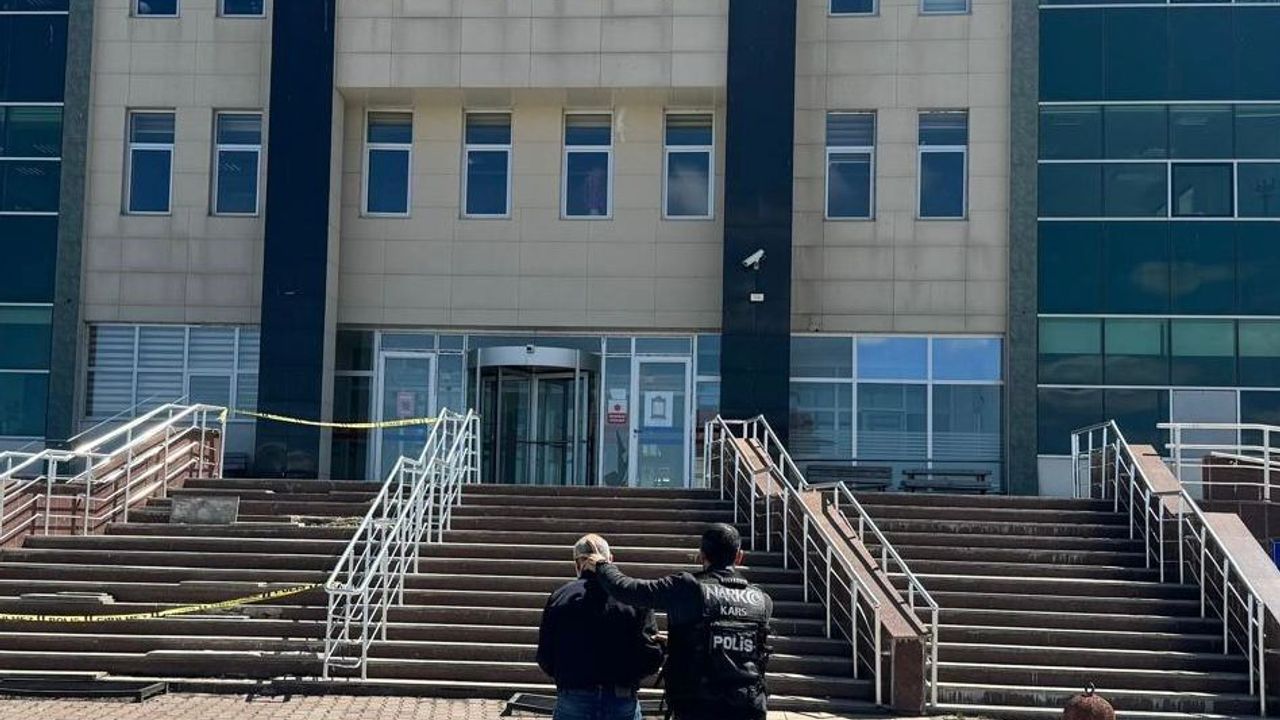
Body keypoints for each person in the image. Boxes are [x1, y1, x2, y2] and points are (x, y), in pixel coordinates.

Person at [583, 523, 773, 720]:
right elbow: (731, 638)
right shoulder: (762, 601)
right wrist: (681, 640)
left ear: (702, 555)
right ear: (739, 556)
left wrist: (602, 565)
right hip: (747, 707)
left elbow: (628, 589)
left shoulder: (687, 588)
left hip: (697, 707)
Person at [537, 534, 664, 720]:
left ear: (577, 564)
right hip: (621, 697)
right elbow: (651, 655)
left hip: (574, 695)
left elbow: (545, 655)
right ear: (610, 560)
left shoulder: (559, 597)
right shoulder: (634, 598)